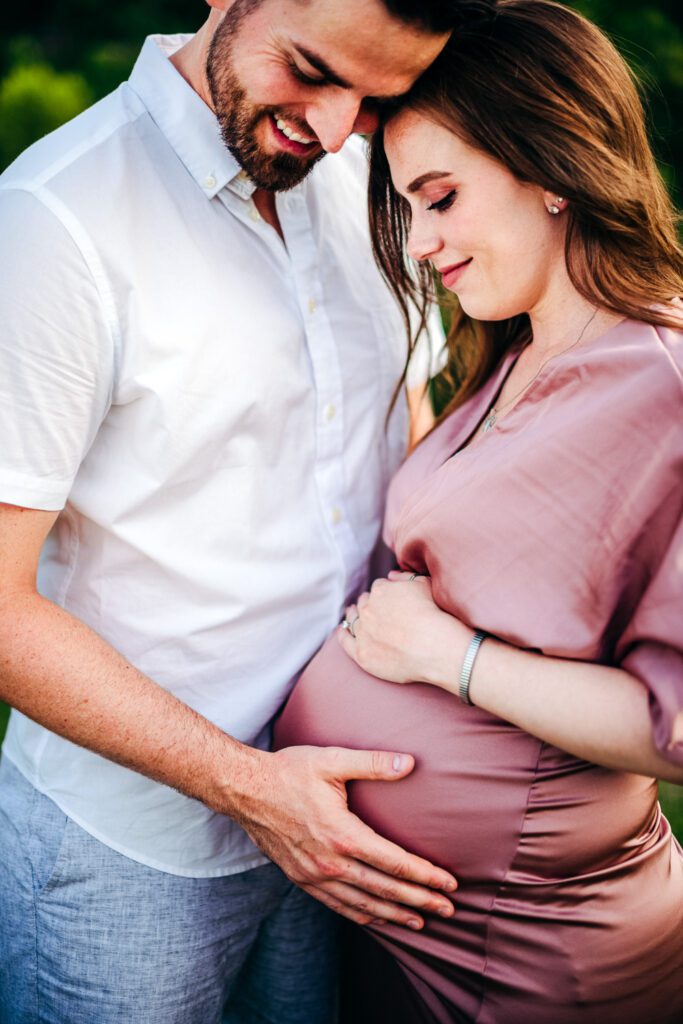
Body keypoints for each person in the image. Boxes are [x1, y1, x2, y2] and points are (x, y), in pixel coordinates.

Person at [0, 1, 499, 1020]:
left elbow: (400, 435)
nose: (330, 127)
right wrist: (253, 789)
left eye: (375, 96)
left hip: (352, 822)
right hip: (130, 852)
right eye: (310, 70)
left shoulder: (371, 175)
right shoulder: (54, 220)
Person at [274, 2, 683, 1020]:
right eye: (408, 208)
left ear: (551, 163)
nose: (420, 244)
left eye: (441, 198)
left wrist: (443, 659)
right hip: (417, 919)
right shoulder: (507, 350)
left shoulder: (666, 382)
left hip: (532, 953)